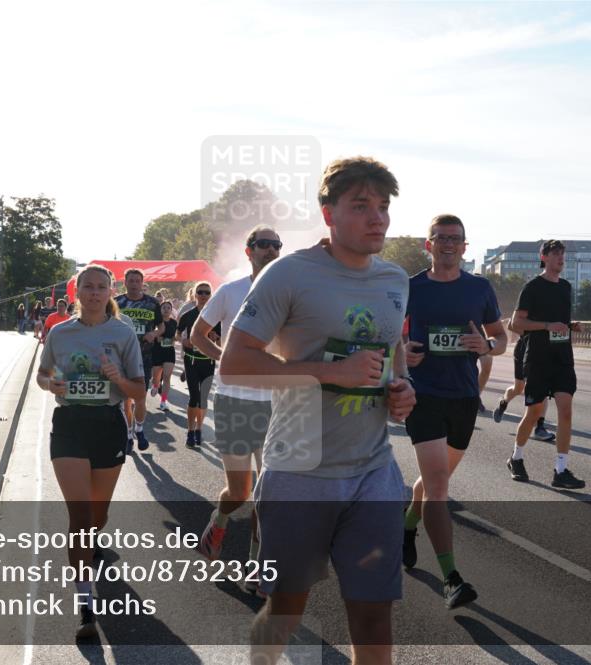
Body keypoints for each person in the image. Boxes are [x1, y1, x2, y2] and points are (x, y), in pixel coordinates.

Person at [221, 156, 415, 665]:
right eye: (361, 206)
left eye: (383, 206)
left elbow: (392, 360)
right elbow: (234, 364)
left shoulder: (396, 279)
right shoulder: (289, 273)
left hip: (373, 470)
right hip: (299, 470)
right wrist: (330, 373)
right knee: (287, 608)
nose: (378, 219)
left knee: (375, 616)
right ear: (328, 214)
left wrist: (402, 391)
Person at [402, 214, 507, 608]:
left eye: (455, 239)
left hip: (463, 397)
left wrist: (487, 347)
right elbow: (385, 335)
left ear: (465, 247)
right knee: (440, 488)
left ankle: (407, 524)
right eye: (440, 238)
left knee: (434, 481)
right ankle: (451, 578)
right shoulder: (409, 287)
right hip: (423, 395)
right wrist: (402, 355)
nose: (448, 244)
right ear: (428, 245)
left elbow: (500, 337)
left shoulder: (479, 288)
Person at [35, 264, 144, 639]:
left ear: (110, 293)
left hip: (107, 425)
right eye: (89, 287)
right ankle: (85, 606)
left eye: (102, 287)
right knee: (80, 520)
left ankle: (94, 539)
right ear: (77, 292)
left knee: (98, 517)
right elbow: (42, 373)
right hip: (69, 426)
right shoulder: (61, 333)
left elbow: (139, 391)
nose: (95, 293)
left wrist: (118, 379)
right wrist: (52, 385)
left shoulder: (123, 333)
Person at [191, 225, 280, 590]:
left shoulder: (289, 294)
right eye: (263, 245)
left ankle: (256, 565)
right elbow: (197, 335)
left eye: (276, 245)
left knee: (269, 491)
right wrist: (225, 358)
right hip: (233, 400)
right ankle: (220, 520)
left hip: (276, 401)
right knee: (240, 491)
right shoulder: (230, 291)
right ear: (249, 251)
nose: (271, 250)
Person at [506, 240, 585, 489]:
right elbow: (517, 323)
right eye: (556, 254)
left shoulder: (565, 287)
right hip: (538, 358)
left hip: (562, 357)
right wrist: (547, 326)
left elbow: (558, 319)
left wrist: (570, 326)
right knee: (534, 413)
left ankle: (560, 470)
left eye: (563, 254)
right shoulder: (532, 287)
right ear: (544, 257)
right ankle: (516, 457)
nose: (561, 258)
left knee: (566, 411)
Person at [115, 269, 163, 452]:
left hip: (145, 355)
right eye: (131, 281)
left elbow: (162, 325)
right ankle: (128, 434)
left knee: (140, 397)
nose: (134, 284)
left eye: (138, 281)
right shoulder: (117, 303)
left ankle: (139, 429)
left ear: (142, 283)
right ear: (125, 282)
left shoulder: (152, 303)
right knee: (126, 399)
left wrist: (155, 333)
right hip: (122, 356)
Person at [492, 333, 557, 441]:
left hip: (544, 351)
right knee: (518, 388)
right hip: (524, 349)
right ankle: (503, 402)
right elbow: (513, 325)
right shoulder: (528, 315)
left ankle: (539, 428)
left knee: (541, 389)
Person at [177, 282, 217, 447]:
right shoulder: (188, 314)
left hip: (208, 361)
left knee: (203, 399)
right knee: (194, 396)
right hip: (191, 360)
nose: (203, 295)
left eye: (206, 293)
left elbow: (222, 338)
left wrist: (215, 339)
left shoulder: (216, 316)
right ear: (194, 295)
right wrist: (184, 341)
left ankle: (199, 429)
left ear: (210, 295)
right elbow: (177, 334)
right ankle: (190, 431)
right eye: (199, 292)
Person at [150, 301, 178, 411]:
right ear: (160, 310)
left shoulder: (174, 323)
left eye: (168, 308)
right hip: (157, 351)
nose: (166, 309)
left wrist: (173, 339)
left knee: (167, 377)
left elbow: (176, 336)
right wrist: (156, 336)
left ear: (171, 310)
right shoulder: (155, 322)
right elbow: (151, 334)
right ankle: (155, 385)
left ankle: (163, 401)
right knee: (156, 377)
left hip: (169, 352)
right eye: (164, 308)